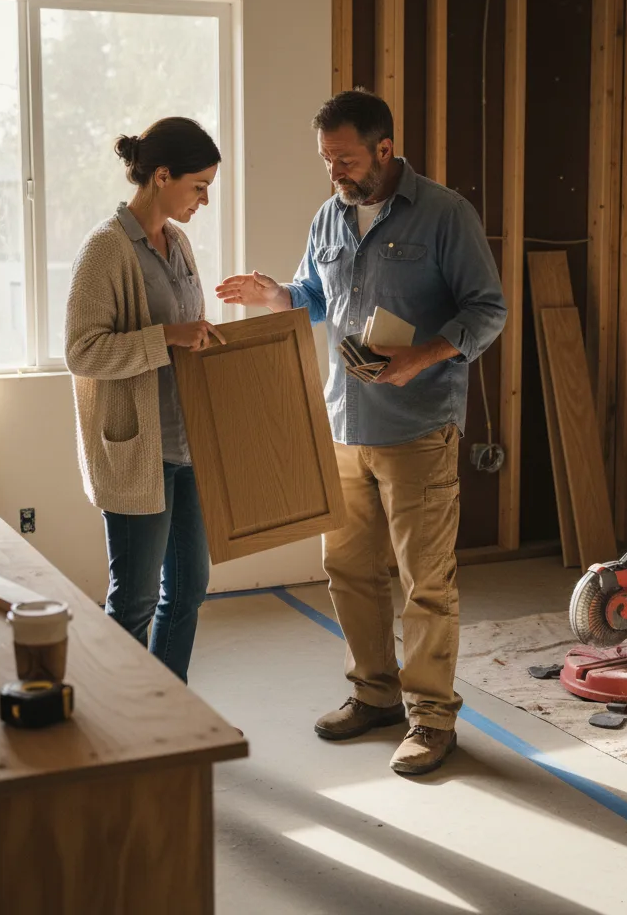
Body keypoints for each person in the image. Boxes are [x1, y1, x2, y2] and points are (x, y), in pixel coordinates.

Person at [216, 89, 507, 774]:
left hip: (420, 428)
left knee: (425, 582)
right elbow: (316, 296)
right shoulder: (329, 217)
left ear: (385, 149)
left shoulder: (444, 215)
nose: (334, 173)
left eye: (345, 159)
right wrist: (279, 298)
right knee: (348, 571)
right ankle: (373, 695)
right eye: (326, 160)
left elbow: (487, 309)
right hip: (344, 425)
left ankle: (432, 719)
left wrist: (423, 357)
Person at [65, 117, 225, 684]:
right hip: (138, 453)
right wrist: (169, 339)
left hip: (188, 444)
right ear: (162, 176)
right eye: (198, 186)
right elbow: (83, 353)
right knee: (132, 602)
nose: (204, 199)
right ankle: (121, 726)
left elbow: (185, 332)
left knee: (187, 590)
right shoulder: (105, 251)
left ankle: (167, 710)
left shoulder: (177, 243)